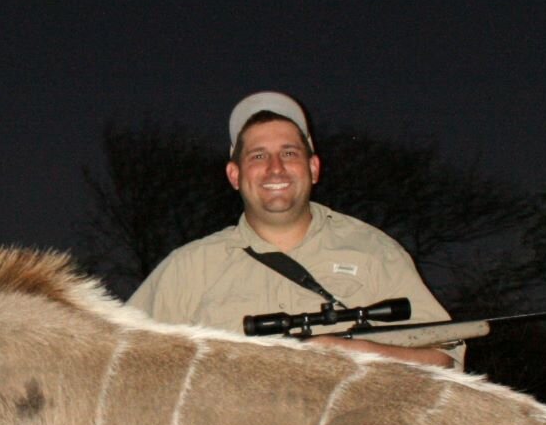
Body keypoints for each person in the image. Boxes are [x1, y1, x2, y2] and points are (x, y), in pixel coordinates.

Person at [127, 91, 461, 368]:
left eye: (289, 152)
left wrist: (354, 356)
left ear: (314, 168)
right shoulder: (187, 268)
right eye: (258, 156)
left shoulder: (375, 251)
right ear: (234, 175)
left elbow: (444, 358)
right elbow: (121, 358)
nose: (275, 168)